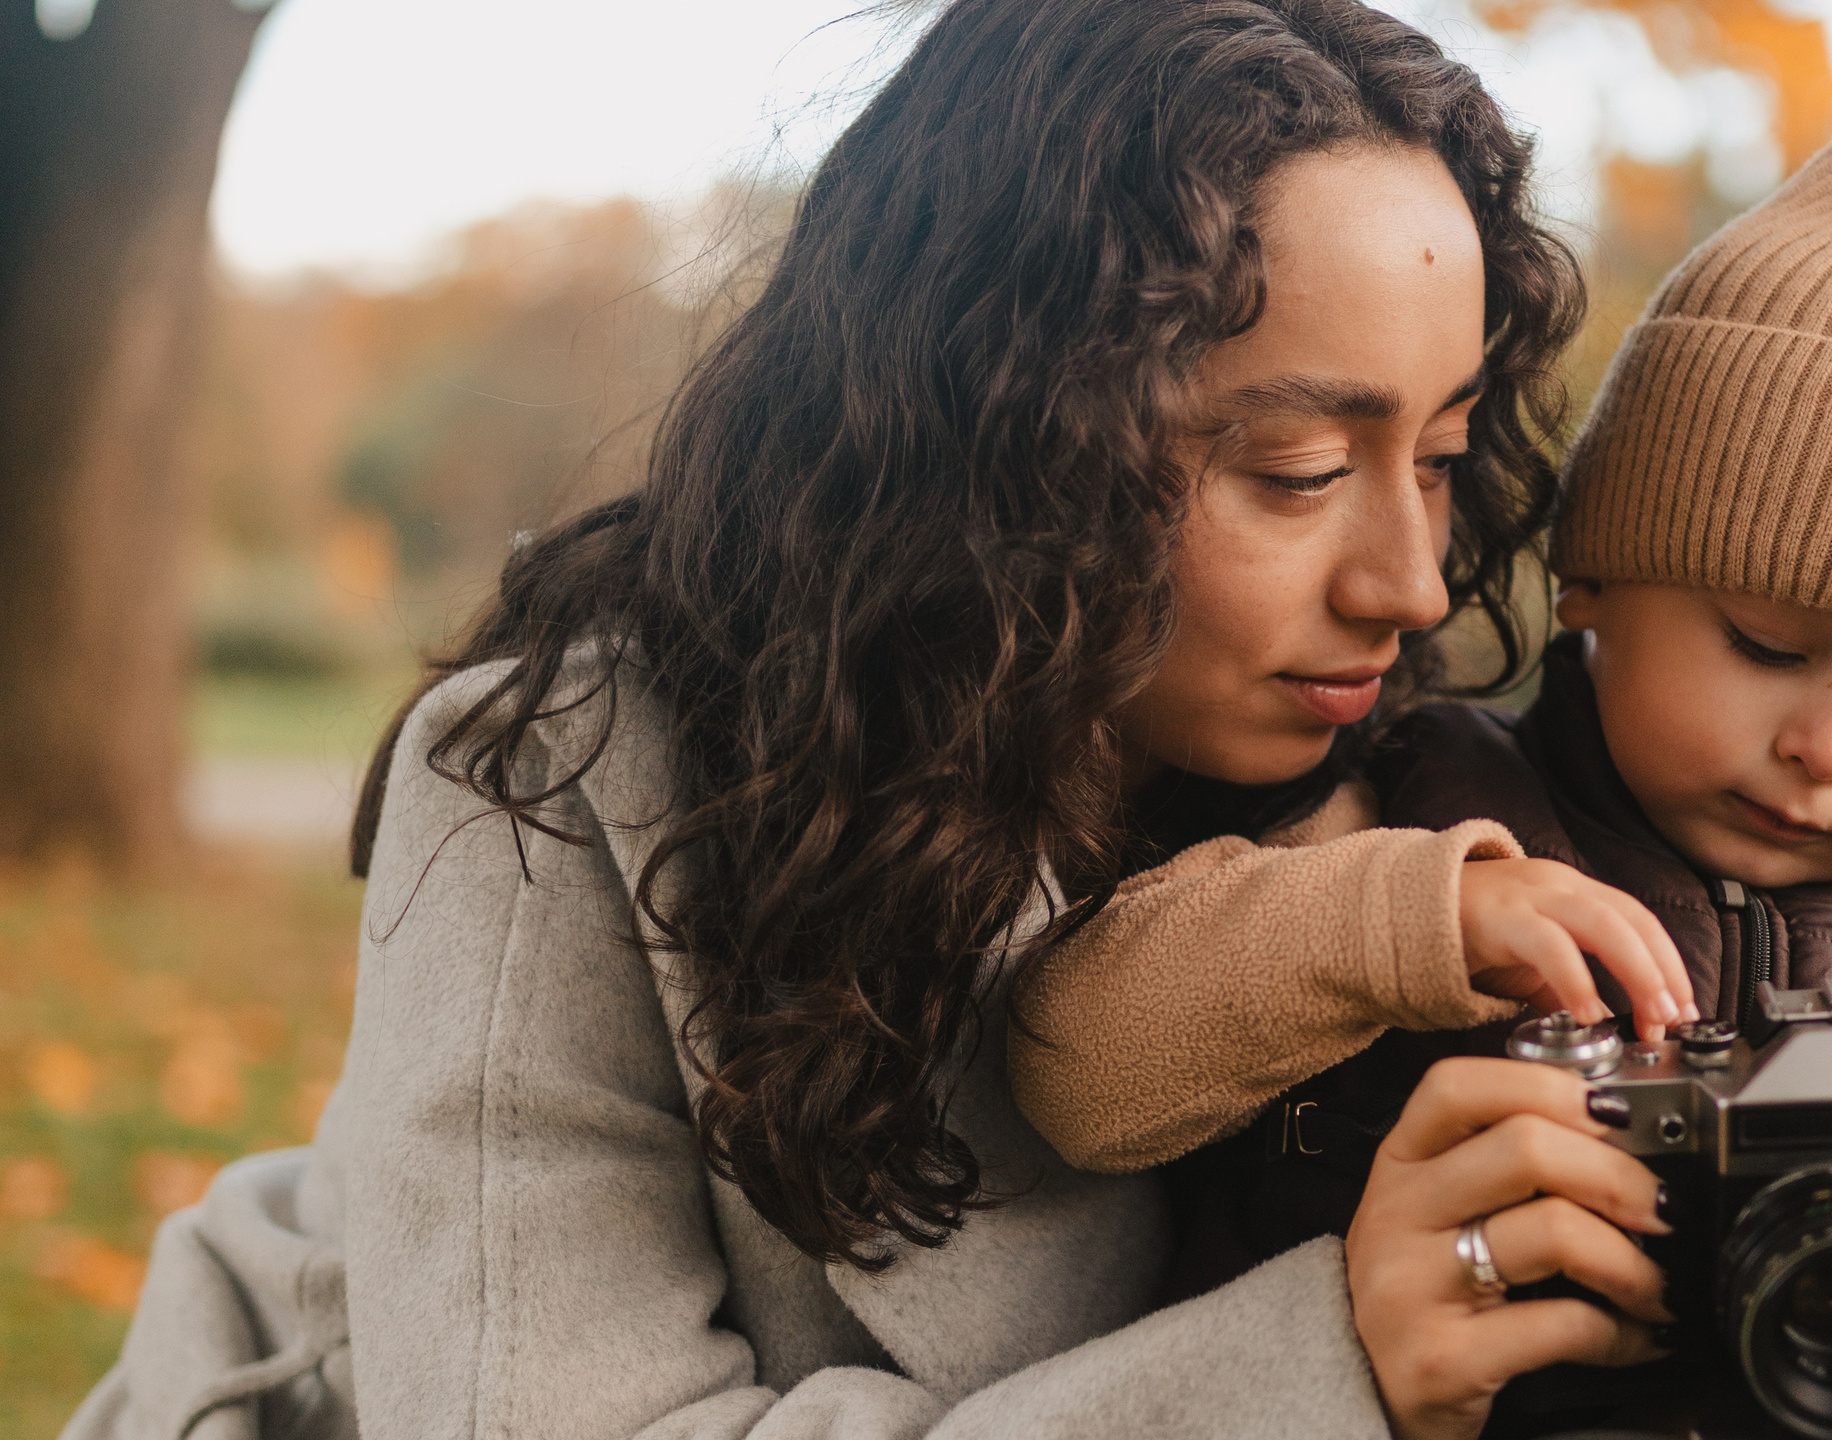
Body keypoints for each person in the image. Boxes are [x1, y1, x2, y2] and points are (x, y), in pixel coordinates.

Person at [57, 2, 1714, 1438]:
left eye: (1438, 458)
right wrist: (1327, 1368)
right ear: (1011, 442)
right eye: (1293, 471)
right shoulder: (576, 785)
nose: (1414, 584)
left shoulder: (1420, 797)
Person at [1009, 81, 1832, 1439]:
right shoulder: (1406, 813)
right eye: (1763, 642)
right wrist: (1414, 915)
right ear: (1591, 584)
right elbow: (1070, 1070)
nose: (1826, 749)